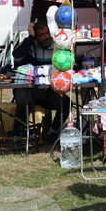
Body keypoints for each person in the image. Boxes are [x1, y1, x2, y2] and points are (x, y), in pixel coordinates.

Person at [11, 21, 70, 150]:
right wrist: (30, 37)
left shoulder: (56, 47)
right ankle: (17, 137)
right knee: (24, 102)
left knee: (65, 102)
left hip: (48, 90)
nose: (46, 37)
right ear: (35, 36)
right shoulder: (29, 46)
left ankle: (52, 131)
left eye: (48, 33)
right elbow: (16, 56)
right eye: (41, 35)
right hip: (28, 89)